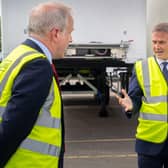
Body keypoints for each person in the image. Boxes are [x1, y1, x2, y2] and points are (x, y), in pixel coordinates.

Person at [0, 1, 74, 167]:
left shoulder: (17, 55)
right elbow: (13, 127)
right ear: (55, 33)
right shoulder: (37, 66)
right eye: (69, 32)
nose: (71, 39)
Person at [114, 22, 168, 168]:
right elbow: (135, 98)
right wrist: (131, 106)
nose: (157, 47)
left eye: (162, 42)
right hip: (149, 142)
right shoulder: (141, 67)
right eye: (154, 42)